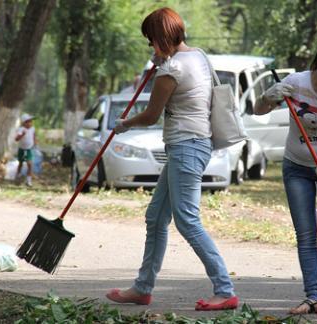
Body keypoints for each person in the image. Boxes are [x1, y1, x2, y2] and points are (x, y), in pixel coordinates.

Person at [105, 7, 238, 311]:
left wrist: (123, 123)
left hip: (186, 147)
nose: (151, 46)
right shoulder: (199, 56)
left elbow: (151, 116)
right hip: (196, 144)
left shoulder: (171, 70)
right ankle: (142, 288)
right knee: (156, 217)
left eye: (152, 40)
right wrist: (164, 60)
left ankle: (224, 289)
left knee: (187, 220)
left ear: (162, 37)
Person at [254, 41, 317, 315]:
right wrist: (269, 96)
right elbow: (257, 110)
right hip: (297, 167)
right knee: (306, 234)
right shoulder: (296, 84)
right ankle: (314, 297)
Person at [15, 113, 36, 187]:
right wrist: (22, 135)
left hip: (28, 149)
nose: (30, 123)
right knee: (20, 163)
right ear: (24, 123)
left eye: (31, 121)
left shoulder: (32, 129)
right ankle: (18, 176)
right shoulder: (21, 129)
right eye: (28, 122)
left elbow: (33, 135)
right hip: (22, 149)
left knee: (29, 164)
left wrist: (35, 142)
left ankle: (29, 180)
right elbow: (16, 139)